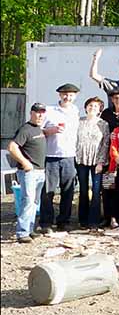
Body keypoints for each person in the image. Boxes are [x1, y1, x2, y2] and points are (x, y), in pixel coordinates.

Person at [40, 83, 81, 232]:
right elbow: (39, 130)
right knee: (48, 192)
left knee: (68, 191)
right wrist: (51, 130)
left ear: (75, 97)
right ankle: (46, 223)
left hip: (70, 157)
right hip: (51, 156)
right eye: (65, 94)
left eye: (71, 95)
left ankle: (63, 221)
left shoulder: (75, 111)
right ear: (59, 95)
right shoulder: (49, 111)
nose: (67, 97)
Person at [9, 103, 48, 242]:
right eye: (37, 112)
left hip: (40, 171)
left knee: (34, 202)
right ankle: (22, 233)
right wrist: (25, 162)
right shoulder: (25, 129)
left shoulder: (39, 129)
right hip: (29, 173)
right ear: (31, 113)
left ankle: (30, 230)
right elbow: (12, 147)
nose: (40, 115)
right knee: (28, 201)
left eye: (42, 112)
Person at [76, 96, 110, 229]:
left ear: (99, 109)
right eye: (90, 105)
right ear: (85, 108)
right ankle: (82, 219)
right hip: (81, 160)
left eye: (95, 106)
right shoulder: (78, 122)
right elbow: (74, 140)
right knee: (83, 190)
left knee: (96, 191)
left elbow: (105, 143)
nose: (92, 108)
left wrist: (101, 162)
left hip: (97, 161)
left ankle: (94, 221)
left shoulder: (103, 124)